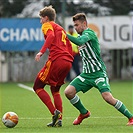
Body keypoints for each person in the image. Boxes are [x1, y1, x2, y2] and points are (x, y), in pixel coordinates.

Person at [64, 13, 133, 126]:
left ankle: (131, 117)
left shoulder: (89, 33)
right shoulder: (80, 37)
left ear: (84, 23)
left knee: (107, 97)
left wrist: (64, 34)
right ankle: (84, 113)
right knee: (68, 92)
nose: (75, 28)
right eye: (74, 25)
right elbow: (77, 42)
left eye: (77, 25)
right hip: (86, 75)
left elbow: (80, 42)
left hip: (98, 74)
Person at [33, 5, 73, 127]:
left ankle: (54, 112)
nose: (40, 21)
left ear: (46, 18)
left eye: (41, 18)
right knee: (55, 90)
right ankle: (59, 120)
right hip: (67, 62)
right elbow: (69, 45)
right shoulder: (60, 28)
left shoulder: (47, 25)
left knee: (38, 86)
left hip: (57, 60)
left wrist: (41, 51)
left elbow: (50, 36)